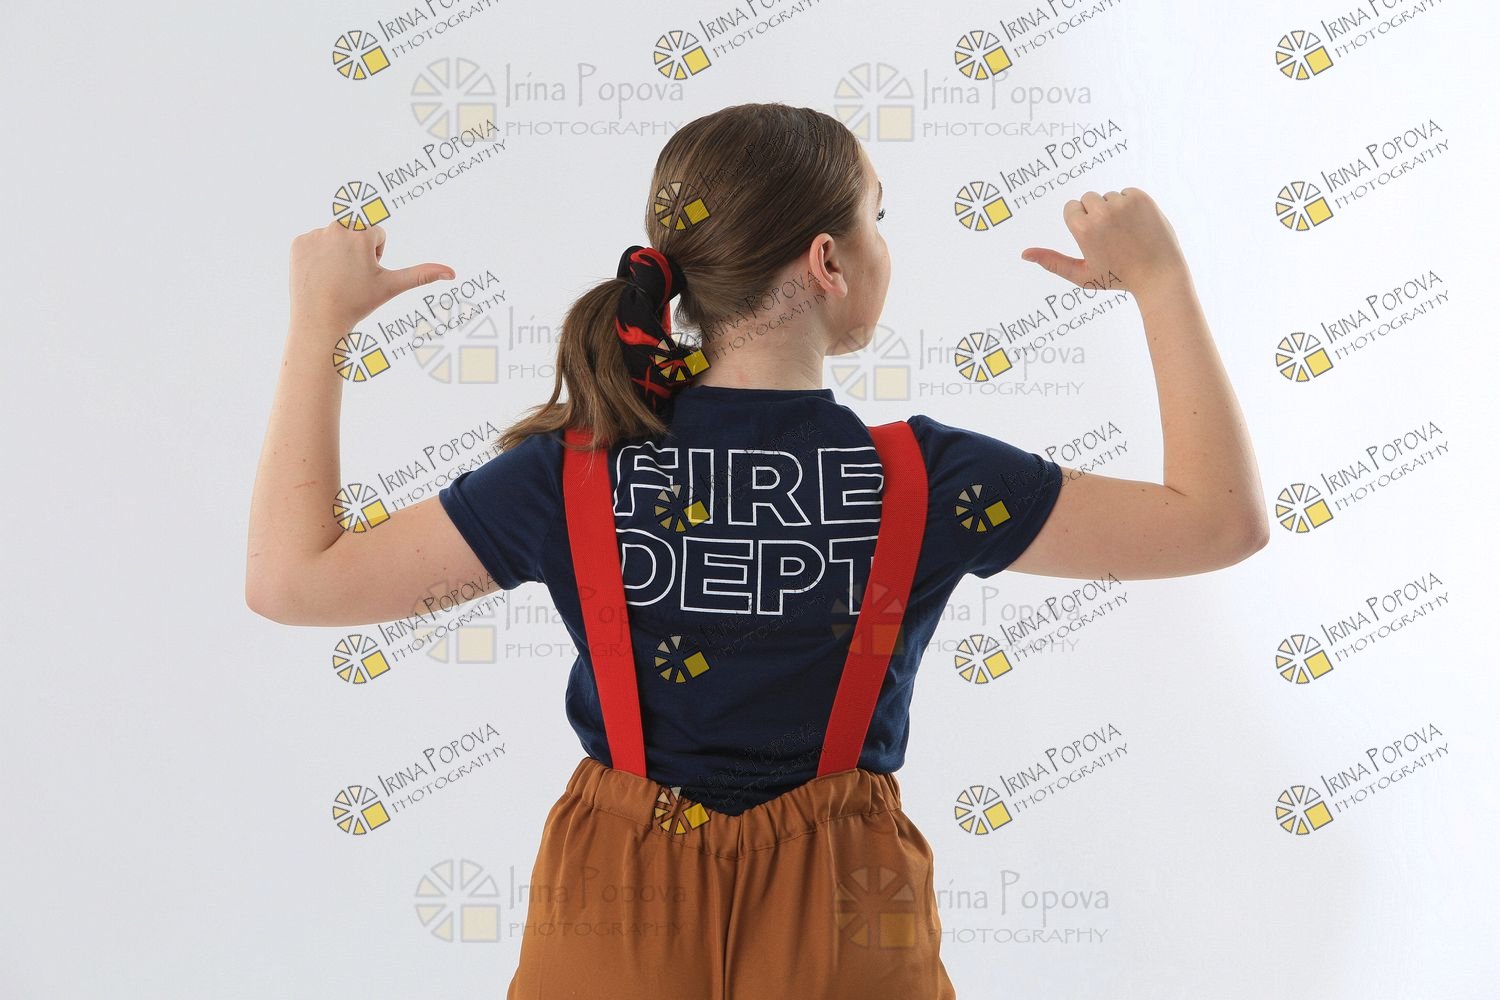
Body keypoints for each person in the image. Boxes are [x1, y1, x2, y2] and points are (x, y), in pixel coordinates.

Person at [246, 102, 1269, 999]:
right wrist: (1158, 278)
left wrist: (319, 323)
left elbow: (293, 582)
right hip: (844, 912)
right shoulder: (932, 478)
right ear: (828, 262)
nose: (883, 248)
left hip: (615, 907)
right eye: (879, 218)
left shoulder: (571, 472)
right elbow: (1219, 521)